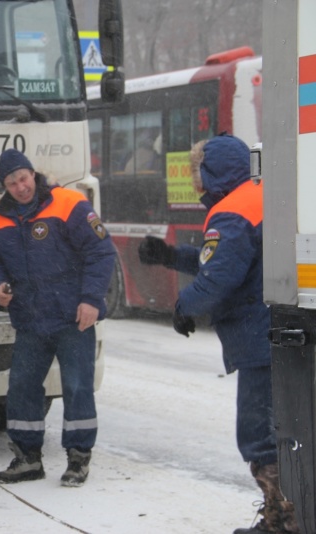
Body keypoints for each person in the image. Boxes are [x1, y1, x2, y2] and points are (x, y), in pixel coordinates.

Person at [138, 133, 300, 534]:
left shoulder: (230, 212)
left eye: (198, 173)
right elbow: (235, 263)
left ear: (211, 173)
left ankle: (284, 521)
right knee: (289, 429)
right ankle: (288, 515)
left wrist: (183, 307)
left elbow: (220, 277)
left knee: (260, 435)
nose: (196, 184)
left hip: (258, 335)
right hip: (282, 329)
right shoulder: (261, 196)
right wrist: (173, 257)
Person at [0, 149, 116, 487]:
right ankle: (27, 458)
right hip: (30, 319)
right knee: (22, 388)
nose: (20, 187)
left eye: (23, 178)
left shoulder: (69, 203)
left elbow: (101, 251)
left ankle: (78, 459)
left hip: (73, 317)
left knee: (76, 386)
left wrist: (91, 300)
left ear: (33, 174)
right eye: (12, 183)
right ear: (5, 186)